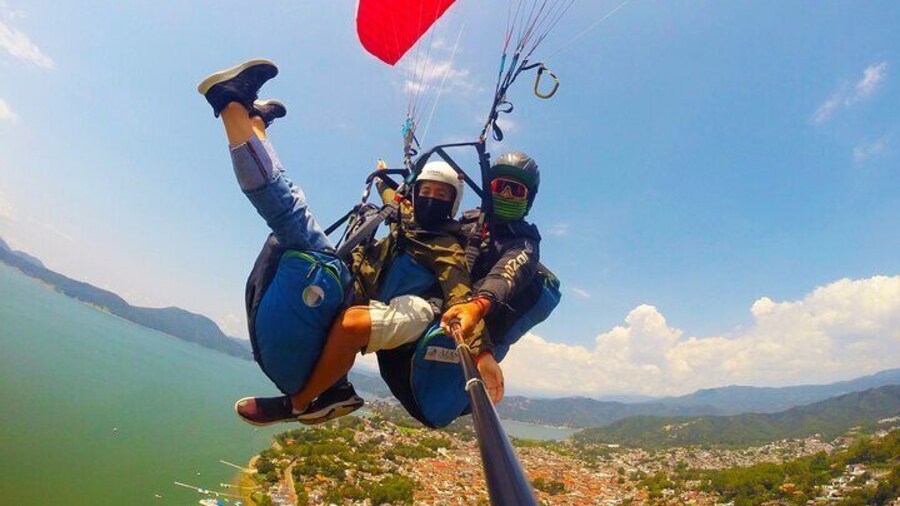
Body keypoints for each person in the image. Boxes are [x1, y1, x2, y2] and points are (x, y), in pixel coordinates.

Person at [196, 58, 484, 426]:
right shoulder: (407, 216)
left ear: (452, 204)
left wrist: (476, 348)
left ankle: (229, 104)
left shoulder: (447, 243)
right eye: (424, 190)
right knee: (292, 213)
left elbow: (459, 289)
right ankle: (255, 125)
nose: (430, 198)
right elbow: (390, 198)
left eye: (440, 195)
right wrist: (383, 177)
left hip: (407, 307)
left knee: (290, 215)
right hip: (358, 285)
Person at [373, 152, 561, 428]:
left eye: (516, 190)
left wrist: (478, 305)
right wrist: (383, 183)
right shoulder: (466, 226)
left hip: (466, 328)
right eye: (500, 187)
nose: (507, 195)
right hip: (428, 324)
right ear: (488, 189)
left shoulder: (524, 245)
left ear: (527, 199)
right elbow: (409, 213)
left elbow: (507, 274)